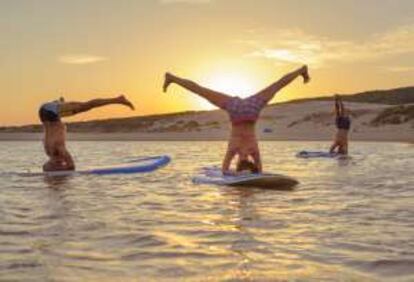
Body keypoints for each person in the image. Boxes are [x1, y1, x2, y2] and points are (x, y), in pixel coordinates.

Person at [163, 65, 310, 175]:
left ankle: (300, 71)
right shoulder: (233, 149)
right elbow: (225, 170)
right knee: (202, 91)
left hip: (252, 108)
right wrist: (234, 173)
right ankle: (172, 78)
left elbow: (258, 170)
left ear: (248, 162)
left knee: (277, 85)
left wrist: (251, 172)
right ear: (238, 162)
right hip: (236, 111)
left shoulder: (253, 151)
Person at [39, 95, 135, 172]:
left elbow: (71, 166)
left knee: (87, 106)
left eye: (60, 164)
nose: (63, 163)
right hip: (46, 113)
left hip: (49, 112)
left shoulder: (59, 150)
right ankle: (59, 102)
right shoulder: (50, 151)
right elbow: (45, 167)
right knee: (80, 107)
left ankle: (118, 99)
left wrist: (65, 170)